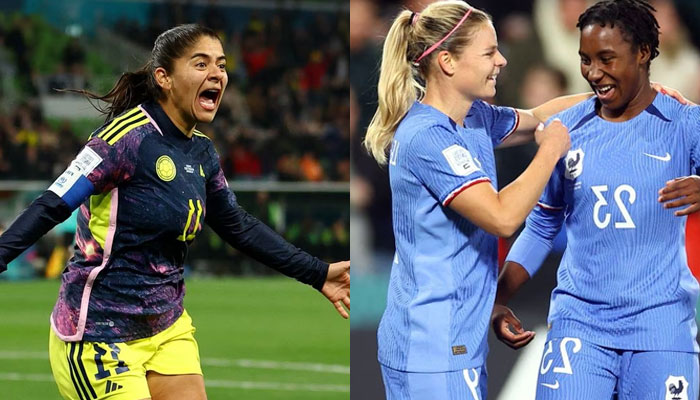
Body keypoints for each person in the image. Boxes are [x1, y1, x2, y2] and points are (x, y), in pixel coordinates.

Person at [0, 24, 350, 400]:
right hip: (99, 334)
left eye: (221, 65)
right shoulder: (123, 139)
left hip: (167, 328)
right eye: (201, 64)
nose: (216, 74)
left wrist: (318, 273)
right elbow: (53, 203)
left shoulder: (201, 152)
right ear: (163, 78)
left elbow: (239, 227)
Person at [362, 2, 583, 398]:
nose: (501, 60)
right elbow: (501, 217)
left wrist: (613, 96)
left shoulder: (475, 117)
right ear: (447, 61)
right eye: (488, 52)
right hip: (432, 348)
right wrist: (549, 151)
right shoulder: (427, 137)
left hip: (455, 341)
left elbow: (538, 115)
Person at [491, 1, 700, 399]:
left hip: (660, 327)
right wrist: (498, 299)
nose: (593, 73)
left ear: (642, 52)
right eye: (585, 59)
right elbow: (541, 225)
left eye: (607, 58)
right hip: (580, 326)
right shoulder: (566, 129)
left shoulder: (685, 124)